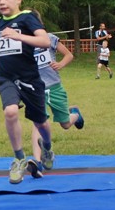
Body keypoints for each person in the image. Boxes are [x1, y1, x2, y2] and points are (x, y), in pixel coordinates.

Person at [0, 0, 53, 184]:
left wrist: (18, 36)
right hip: (6, 77)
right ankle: (19, 159)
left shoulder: (27, 18)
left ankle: (47, 147)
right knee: (10, 111)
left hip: (29, 78)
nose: (1, 2)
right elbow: (2, 39)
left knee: (40, 122)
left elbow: (45, 41)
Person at [31, 25, 84, 170]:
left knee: (65, 124)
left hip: (54, 86)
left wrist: (60, 64)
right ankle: (37, 161)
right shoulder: (24, 42)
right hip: (36, 89)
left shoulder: (50, 38)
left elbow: (69, 55)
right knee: (38, 122)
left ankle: (75, 114)